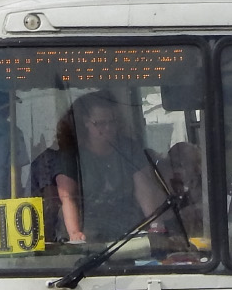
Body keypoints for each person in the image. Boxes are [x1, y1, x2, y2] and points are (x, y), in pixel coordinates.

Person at [52, 92, 161, 243]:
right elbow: (68, 197)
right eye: (101, 123)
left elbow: (144, 190)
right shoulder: (71, 156)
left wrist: (155, 223)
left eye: (112, 122)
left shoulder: (129, 149)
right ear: (85, 123)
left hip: (127, 231)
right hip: (87, 232)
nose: (108, 128)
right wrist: (75, 233)